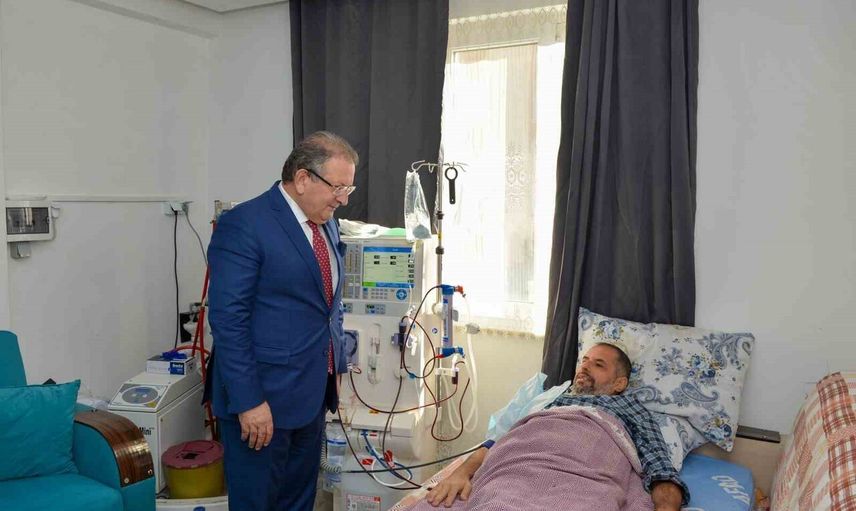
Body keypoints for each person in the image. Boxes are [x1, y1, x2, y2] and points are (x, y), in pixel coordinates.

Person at [207, 131, 357, 511]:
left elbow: (330, 305)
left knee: (298, 502)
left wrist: (335, 365)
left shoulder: (326, 223)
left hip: (311, 395)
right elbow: (229, 321)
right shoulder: (245, 224)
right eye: (338, 188)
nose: (342, 198)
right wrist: (249, 401)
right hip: (262, 402)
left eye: (348, 189)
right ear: (303, 178)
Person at [424, 343, 688, 511]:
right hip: (519, 465)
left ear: (619, 384)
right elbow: (500, 441)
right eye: (584, 360)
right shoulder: (550, 399)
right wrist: (461, 473)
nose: (585, 367)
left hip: (587, 471)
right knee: (496, 499)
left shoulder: (629, 407)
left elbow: (660, 466)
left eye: (598, 364)